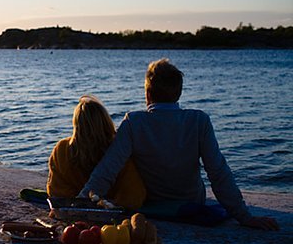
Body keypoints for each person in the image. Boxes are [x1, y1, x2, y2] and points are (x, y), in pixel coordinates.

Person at [77, 59, 279, 231]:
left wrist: (80, 204)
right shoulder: (199, 121)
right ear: (179, 93)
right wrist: (244, 217)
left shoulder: (134, 122)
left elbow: (107, 170)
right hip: (192, 205)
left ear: (147, 93)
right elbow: (218, 173)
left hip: (153, 207)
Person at [47, 95, 146, 210]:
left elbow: (57, 191)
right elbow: (133, 196)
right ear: (106, 122)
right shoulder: (117, 151)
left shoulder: (62, 150)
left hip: (76, 210)